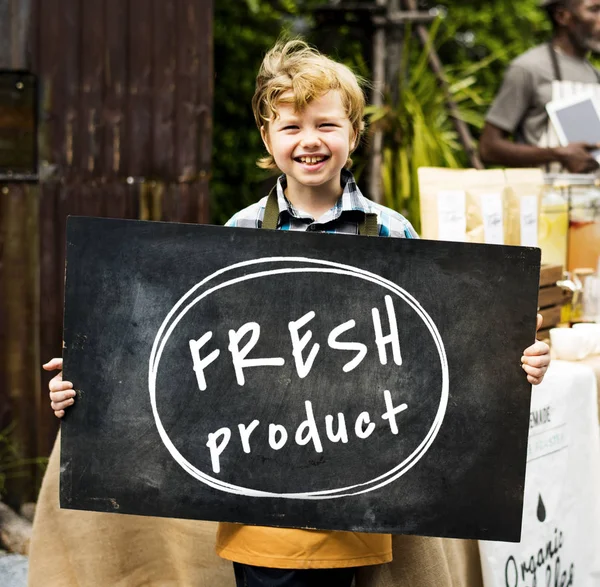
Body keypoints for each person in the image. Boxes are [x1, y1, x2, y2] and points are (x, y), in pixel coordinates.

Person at [45, 40, 551, 587]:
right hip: (261, 500)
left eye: (327, 125)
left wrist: (514, 360)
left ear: (353, 134)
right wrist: (90, 383)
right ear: (268, 139)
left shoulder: (391, 233)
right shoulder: (237, 236)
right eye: (291, 127)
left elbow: (436, 350)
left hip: (360, 495)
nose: (310, 141)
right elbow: (182, 358)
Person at [479, 0, 600, 173]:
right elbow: (488, 148)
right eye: (594, 10)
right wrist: (557, 154)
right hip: (544, 195)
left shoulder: (595, 75)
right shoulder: (528, 68)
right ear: (562, 16)